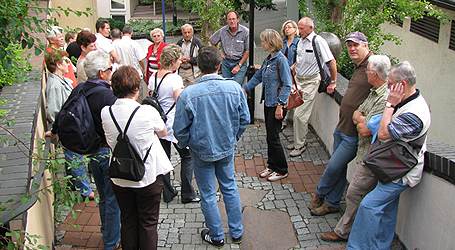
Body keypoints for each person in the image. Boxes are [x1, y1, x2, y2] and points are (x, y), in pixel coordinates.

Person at [347, 61, 431, 249]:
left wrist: (389, 103)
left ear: (403, 84)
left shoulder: (414, 113)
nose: (389, 87)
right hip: (392, 167)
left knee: (369, 205)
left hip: (400, 172)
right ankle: (380, 246)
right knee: (388, 210)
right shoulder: (409, 102)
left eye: (392, 84)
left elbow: (384, 133)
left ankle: (358, 247)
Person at [173, 46, 250, 248]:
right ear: (219, 65)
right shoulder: (234, 88)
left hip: (201, 152)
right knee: (229, 187)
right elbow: (245, 119)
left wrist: (187, 144)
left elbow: (179, 129)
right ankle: (236, 232)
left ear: (198, 66)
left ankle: (216, 236)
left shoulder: (188, 94)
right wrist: (233, 138)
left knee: (207, 194)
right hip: (225, 148)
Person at [46, 50, 121, 250]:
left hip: (92, 152)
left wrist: (53, 132)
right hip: (108, 151)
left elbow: (64, 111)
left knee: (103, 197)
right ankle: (112, 242)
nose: (111, 71)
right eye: (109, 68)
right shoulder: (108, 94)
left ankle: (107, 233)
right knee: (113, 200)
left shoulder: (79, 88)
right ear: (100, 73)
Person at [320, 55, 391, 241]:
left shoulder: (384, 98)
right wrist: (361, 118)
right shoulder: (374, 92)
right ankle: (333, 204)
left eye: (368, 71)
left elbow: (364, 129)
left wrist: (361, 119)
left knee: (354, 194)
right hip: (355, 142)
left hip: (369, 155)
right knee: (348, 182)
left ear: (374, 74)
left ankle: (343, 232)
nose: (366, 73)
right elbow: (358, 112)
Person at [101, 66, 173, 250]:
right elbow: (163, 132)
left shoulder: (106, 112)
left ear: (113, 88)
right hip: (147, 175)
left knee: (128, 220)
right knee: (148, 224)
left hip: (119, 175)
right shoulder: (147, 112)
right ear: (136, 88)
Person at [309, 31, 373, 216]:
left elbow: (383, 95)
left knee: (333, 166)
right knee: (339, 168)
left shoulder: (372, 65)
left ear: (366, 46)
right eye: (349, 45)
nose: (352, 48)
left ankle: (320, 194)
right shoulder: (359, 66)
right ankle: (333, 203)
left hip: (353, 134)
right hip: (341, 128)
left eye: (357, 45)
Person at [147, 44, 199, 203]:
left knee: (164, 160)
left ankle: (168, 193)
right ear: (172, 62)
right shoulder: (175, 79)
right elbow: (180, 102)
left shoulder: (153, 76)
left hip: (159, 125)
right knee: (187, 157)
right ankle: (187, 193)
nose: (180, 63)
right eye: (178, 60)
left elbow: (151, 98)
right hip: (173, 125)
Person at [44, 50, 95, 200]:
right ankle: (85, 190)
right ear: (58, 65)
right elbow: (54, 110)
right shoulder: (54, 85)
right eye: (66, 62)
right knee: (75, 157)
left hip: (70, 126)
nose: (69, 65)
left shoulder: (60, 81)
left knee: (73, 156)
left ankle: (72, 184)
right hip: (69, 128)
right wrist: (58, 129)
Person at [243, 29, 292, 182]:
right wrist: (243, 89)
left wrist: (280, 105)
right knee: (270, 137)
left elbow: (287, 85)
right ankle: (272, 165)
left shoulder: (281, 60)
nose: (261, 43)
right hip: (268, 103)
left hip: (276, 104)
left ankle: (282, 169)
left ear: (270, 43)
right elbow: (257, 77)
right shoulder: (269, 59)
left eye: (263, 41)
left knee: (274, 137)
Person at [287, 17, 338, 157]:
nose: (299, 31)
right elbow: (301, 60)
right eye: (299, 28)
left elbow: (332, 62)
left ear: (310, 28)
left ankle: (300, 145)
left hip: (310, 82)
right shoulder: (301, 41)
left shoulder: (319, 41)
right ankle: (298, 141)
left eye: (302, 28)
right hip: (299, 81)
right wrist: (293, 68)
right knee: (296, 111)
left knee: (300, 115)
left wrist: (333, 81)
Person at [209, 10, 249, 85]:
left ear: (237, 19)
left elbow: (248, 50)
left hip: (240, 62)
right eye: (229, 19)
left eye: (233, 19)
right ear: (227, 20)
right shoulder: (222, 31)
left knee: (236, 86)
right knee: (226, 86)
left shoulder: (245, 32)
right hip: (226, 63)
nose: (232, 21)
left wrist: (239, 65)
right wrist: (219, 53)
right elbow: (212, 40)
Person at [280, 20, 300, 130]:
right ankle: (282, 118)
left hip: (292, 73)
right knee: (283, 94)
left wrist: (291, 68)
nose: (287, 29)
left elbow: (300, 59)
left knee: (290, 95)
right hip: (283, 72)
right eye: (285, 28)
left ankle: (285, 119)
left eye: (289, 27)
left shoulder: (298, 42)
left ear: (295, 29)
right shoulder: (282, 42)